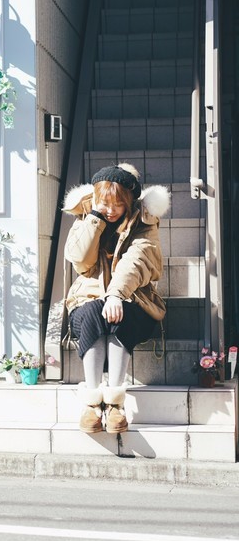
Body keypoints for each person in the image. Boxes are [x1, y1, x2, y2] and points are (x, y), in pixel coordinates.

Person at [63, 162, 169, 434]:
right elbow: (80, 261)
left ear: (130, 201)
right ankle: (91, 404)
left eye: (118, 204)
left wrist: (115, 295)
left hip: (135, 301)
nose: (110, 210)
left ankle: (115, 405)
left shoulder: (145, 222)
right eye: (104, 202)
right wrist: (94, 219)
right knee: (92, 311)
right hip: (88, 299)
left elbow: (136, 262)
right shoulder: (86, 217)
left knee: (118, 315)